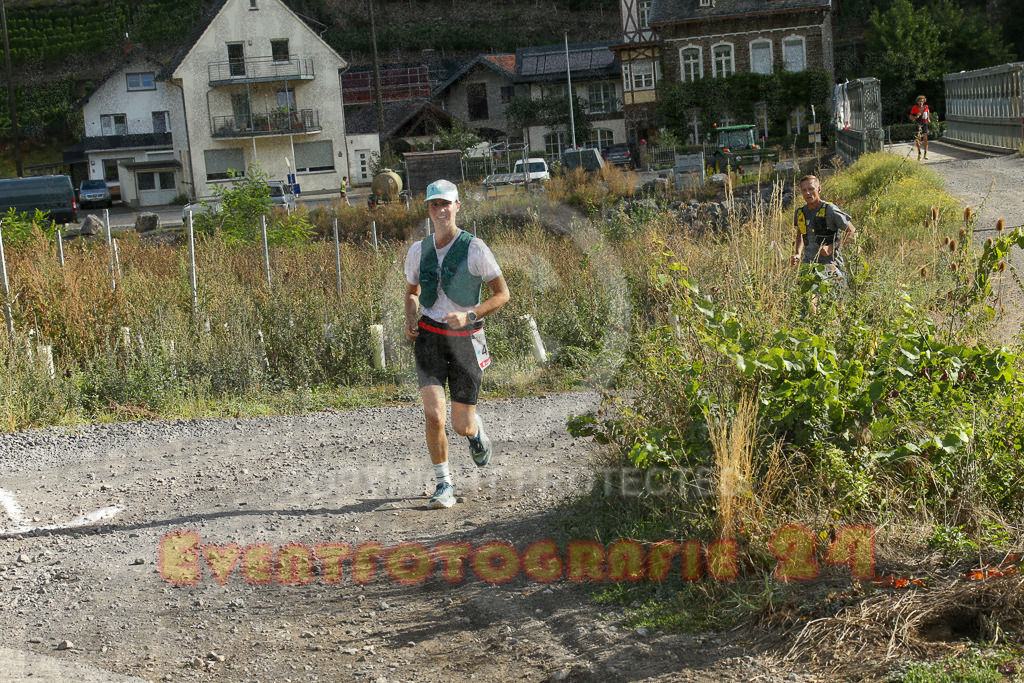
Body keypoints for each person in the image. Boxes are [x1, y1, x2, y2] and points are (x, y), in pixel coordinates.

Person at [404, 179, 510, 509]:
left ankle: (476, 434)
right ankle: (443, 485)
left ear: (457, 207)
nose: (440, 210)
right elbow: (411, 292)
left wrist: (471, 314)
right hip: (430, 337)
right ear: (429, 210)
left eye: (445, 204)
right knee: (434, 415)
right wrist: (410, 315)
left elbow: (502, 294)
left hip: (465, 340)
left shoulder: (475, 248)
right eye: (434, 205)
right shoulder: (418, 250)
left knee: (461, 425)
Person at [790, 174, 857, 313]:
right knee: (809, 302)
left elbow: (852, 232)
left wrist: (833, 247)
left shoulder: (830, 210)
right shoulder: (800, 212)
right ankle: (814, 331)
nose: (807, 193)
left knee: (838, 304)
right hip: (809, 264)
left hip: (831, 263)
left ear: (819, 189)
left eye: (811, 188)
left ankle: (840, 333)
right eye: (804, 190)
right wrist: (798, 253)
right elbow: (800, 234)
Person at [909, 95, 931, 161]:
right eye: (919, 101)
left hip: (925, 123)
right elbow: (910, 117)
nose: (921, 102)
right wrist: (916, 117)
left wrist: (929, 119)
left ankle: (925, 153)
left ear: (924, 101)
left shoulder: (926, 107)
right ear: (917, 102)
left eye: (922, 101)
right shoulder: (914, 108)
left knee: (925, 139)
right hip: (918, 124)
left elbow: (928, 112)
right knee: (918, 140)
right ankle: (919, 153)